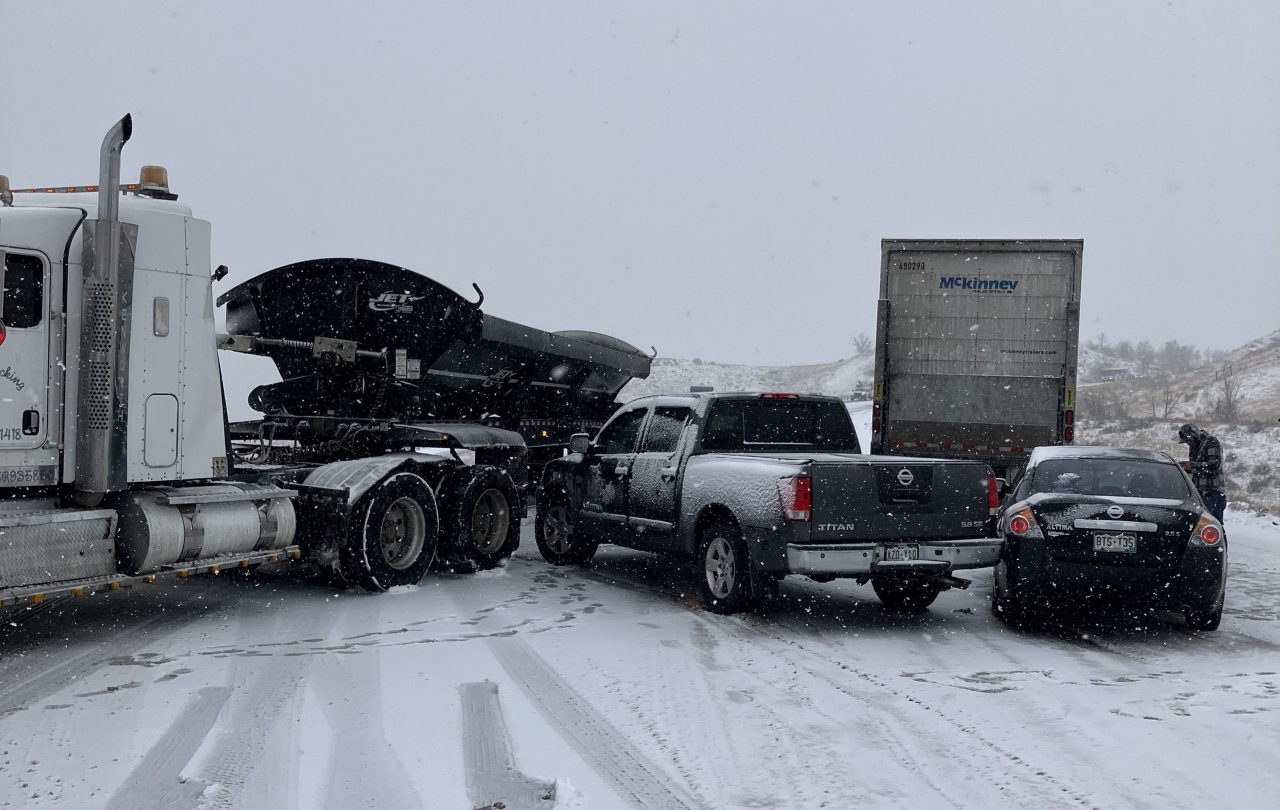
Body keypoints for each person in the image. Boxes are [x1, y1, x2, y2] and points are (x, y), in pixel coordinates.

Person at [1178, 423, 1226, 522]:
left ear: (1193, 436)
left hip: (1213, 493)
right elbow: (1198, 467)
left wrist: (1192, 465)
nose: (1187, 443)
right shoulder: (1194, 446)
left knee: (1214, 524)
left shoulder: (1211, 442)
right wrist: (1186, 467)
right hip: (1199, 494)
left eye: (1188, 441)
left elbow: (1215, 465)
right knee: (1200, 525)